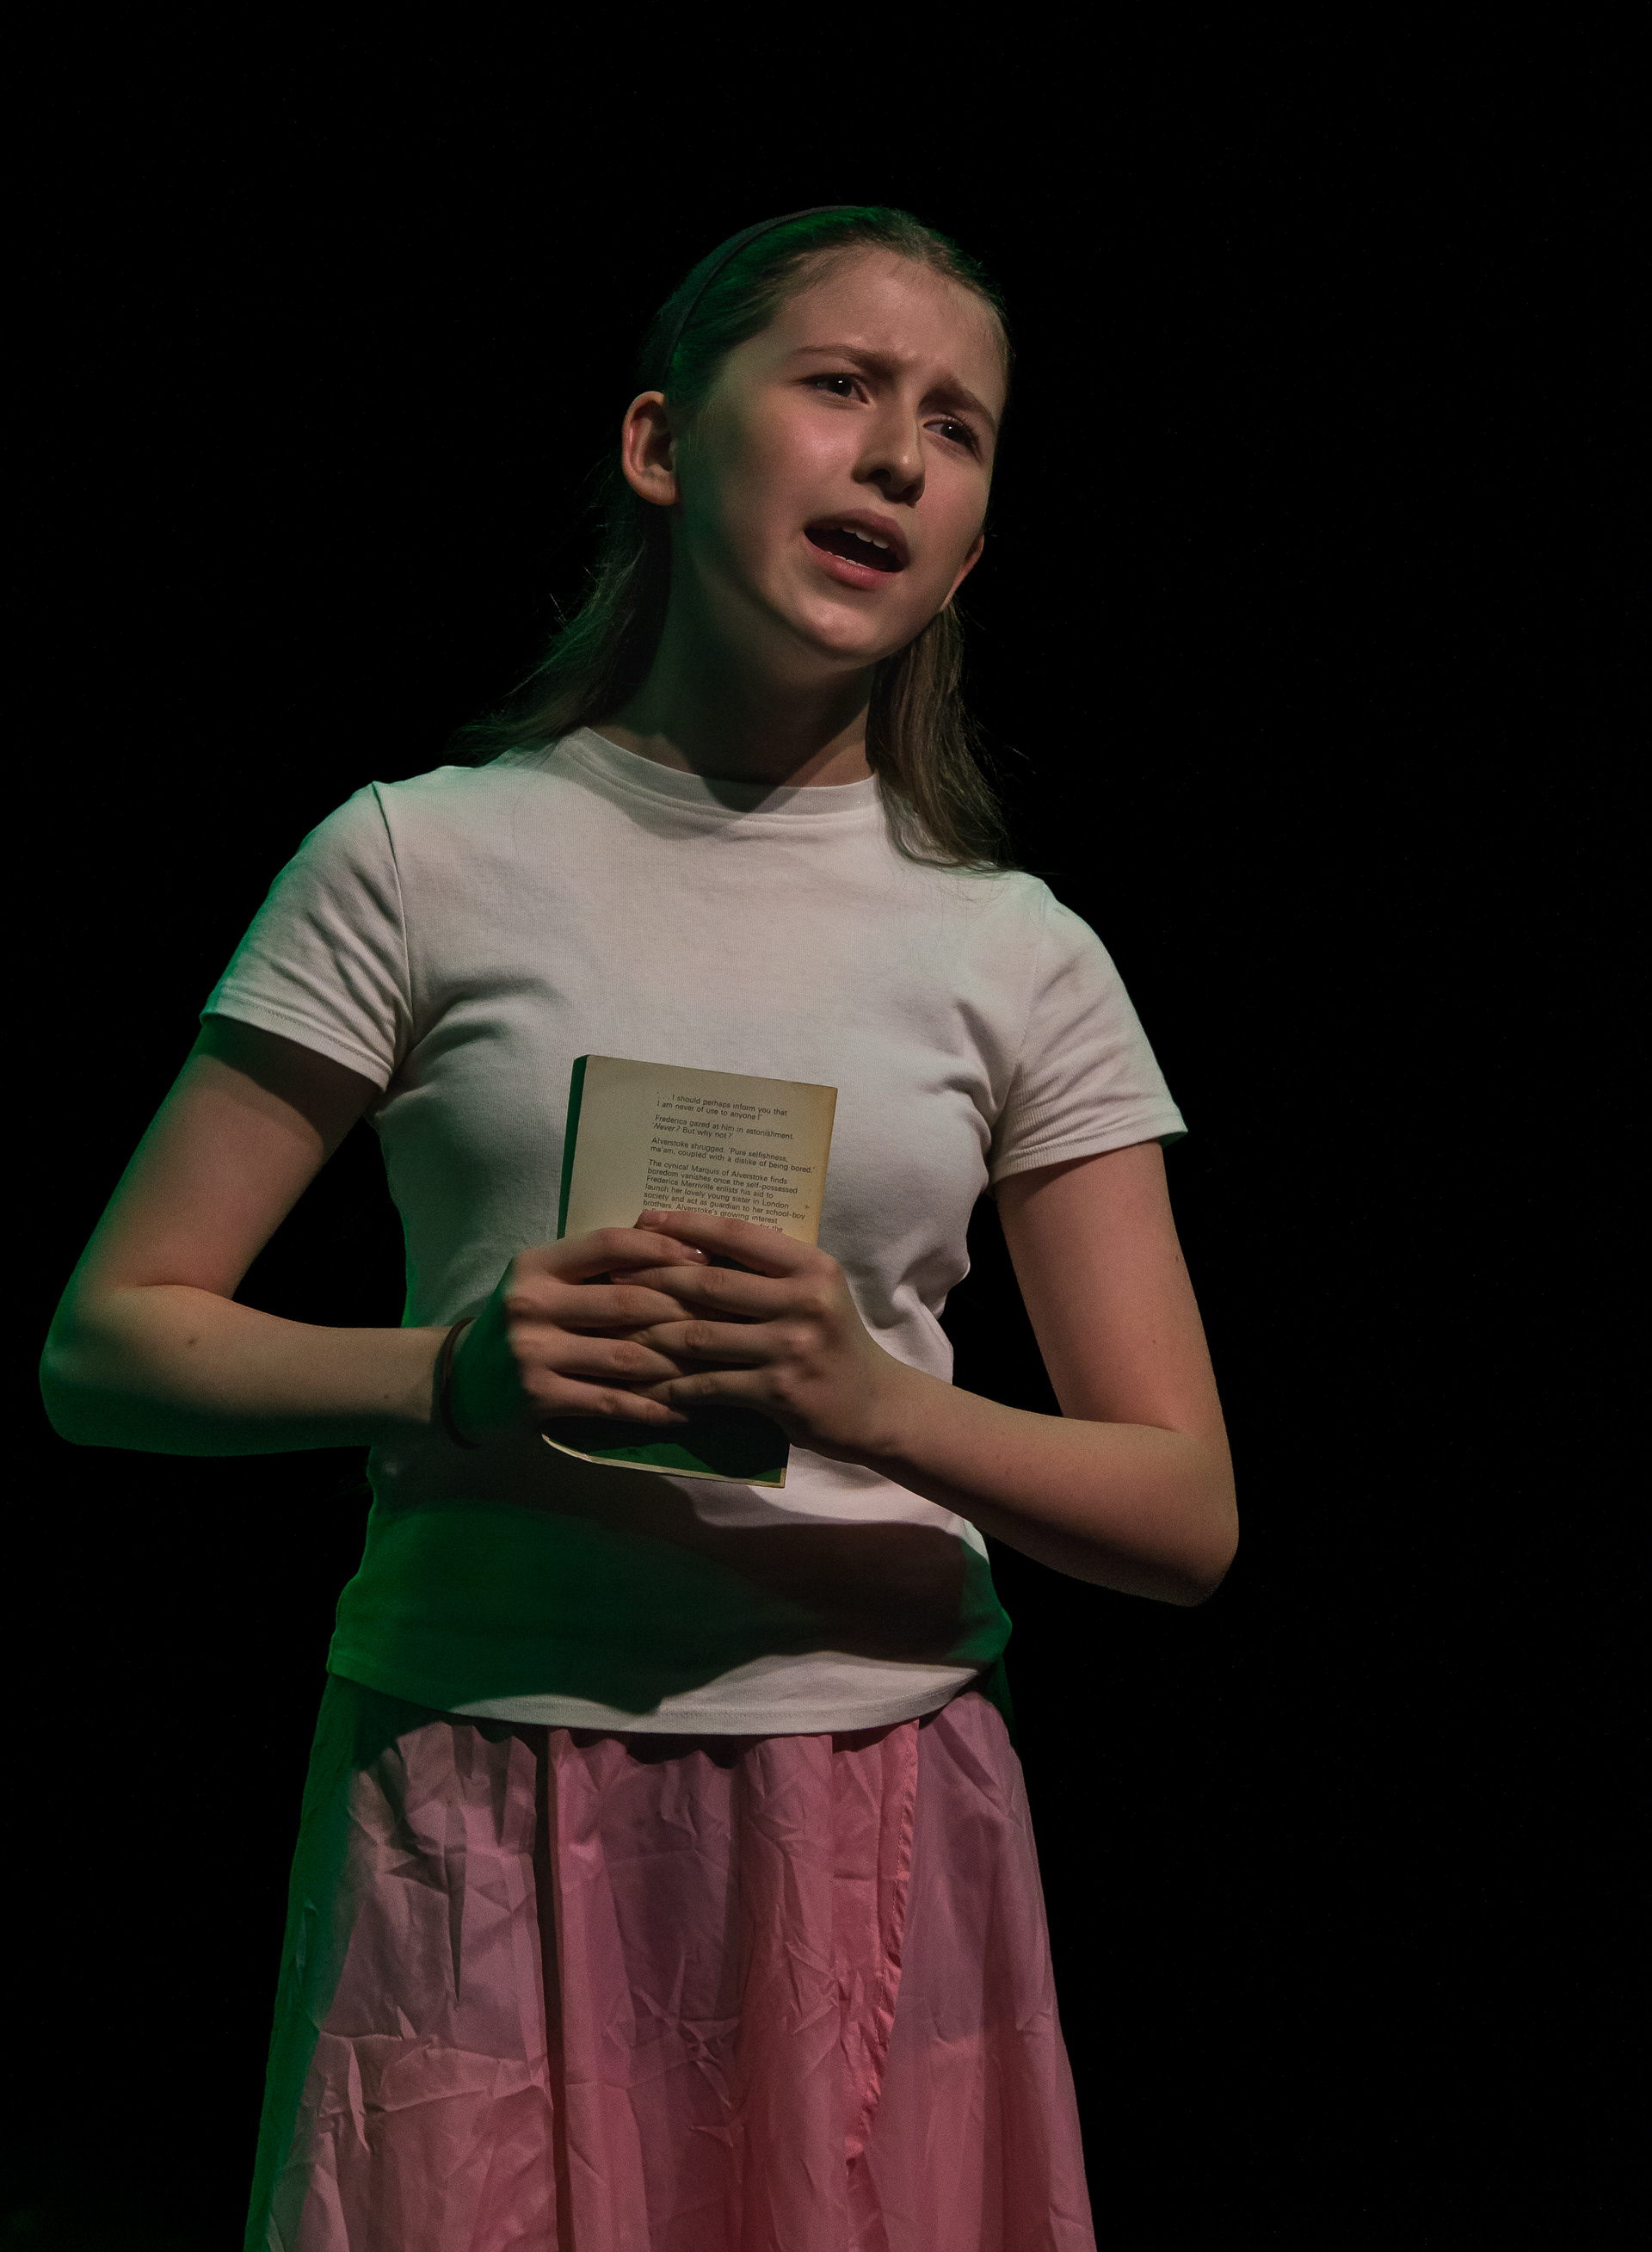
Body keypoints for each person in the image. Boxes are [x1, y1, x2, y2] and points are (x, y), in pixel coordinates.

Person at [41, 205, 1237, 2251]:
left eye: (955, 428)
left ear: (970, 547)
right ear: (663, 443)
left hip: (873, 1805)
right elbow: (109, 1347)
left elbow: (1183, 1510)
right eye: (842, 385)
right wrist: (454, 1368)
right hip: (478, 1793)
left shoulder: (1015, 954)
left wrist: (870, 1398)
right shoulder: (417, 860)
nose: (897, 455)